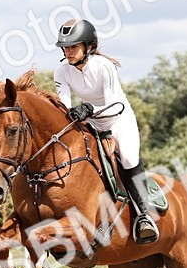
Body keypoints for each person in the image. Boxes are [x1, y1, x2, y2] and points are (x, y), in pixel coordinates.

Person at [53, 18, 158, 244]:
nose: (68, 51)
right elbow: (65, 106)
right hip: (90, 122)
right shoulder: (61, 72)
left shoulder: (104, 67)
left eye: (73, 46)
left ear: (88, 47)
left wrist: (87, 109)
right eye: (65, 47)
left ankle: (144, 216)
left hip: (117, 119)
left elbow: (113, 106)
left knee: (128, 158)